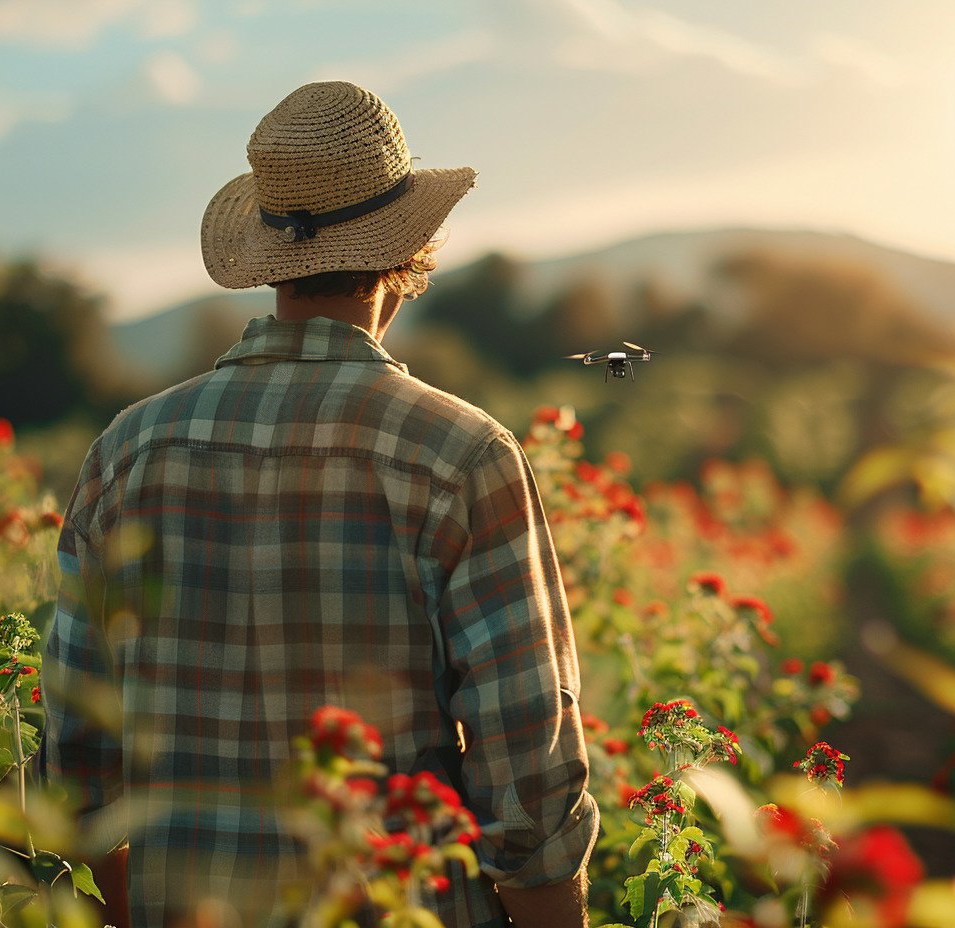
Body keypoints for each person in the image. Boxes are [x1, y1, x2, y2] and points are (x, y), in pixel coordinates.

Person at [41, 81, 599, 928]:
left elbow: (76, 772)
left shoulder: (126, 452)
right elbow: (528, 763)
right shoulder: (461, 454)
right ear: (407, 260)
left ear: (269, 259)